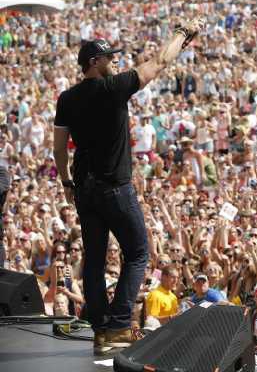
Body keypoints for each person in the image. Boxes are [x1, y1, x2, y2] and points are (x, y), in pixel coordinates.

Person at [53, 18, 203, 355]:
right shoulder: (113, 88)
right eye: (110, 58)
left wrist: (65, 181)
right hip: (114, 187)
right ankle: (119, 326)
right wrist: (182, 34)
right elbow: (159, 63)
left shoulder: (67, 98)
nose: (115, 62)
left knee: (93, 259)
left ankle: (100, 331)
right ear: (95, 62)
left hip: (84, 189)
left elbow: (59, 149)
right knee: (137, 253)